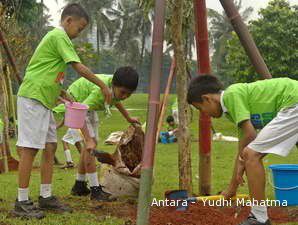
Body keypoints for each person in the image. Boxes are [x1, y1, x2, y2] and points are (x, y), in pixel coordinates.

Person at [13, 3, 113, 219]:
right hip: (33, 97)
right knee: (30, 149)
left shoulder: (61, 40)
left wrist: (62, 92)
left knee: (50, 146)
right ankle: (21, 201)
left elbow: (49, 69)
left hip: (44, 100)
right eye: (80, 28)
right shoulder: (58, 36)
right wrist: (103, 85)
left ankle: (46, 196)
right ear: (68, 21)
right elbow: (77, 66)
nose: (80, 33)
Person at [187, 75, 298, 225]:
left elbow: (249, 140)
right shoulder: (233, 111)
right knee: (249, 154)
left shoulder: (231, 96)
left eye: (201, 108)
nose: (205, 113)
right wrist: (232, 187)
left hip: (293, 101)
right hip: (292, 102)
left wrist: (242, 161)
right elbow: (243, 148)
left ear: (207, 98)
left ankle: (259, 217)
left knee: (251, 155)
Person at [53, 67, 139, 201]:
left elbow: (117, 102)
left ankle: (79, 185)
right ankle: (95, 190)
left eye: (129, 94)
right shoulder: (100, 93)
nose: (124, 96)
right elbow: (79, 112)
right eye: (123, 92)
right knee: (90, 146)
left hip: (86, 106)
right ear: (114, 85)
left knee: (91, 145)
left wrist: (128, 118)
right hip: (76, 105)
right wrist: (88, 139)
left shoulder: (113, 89)